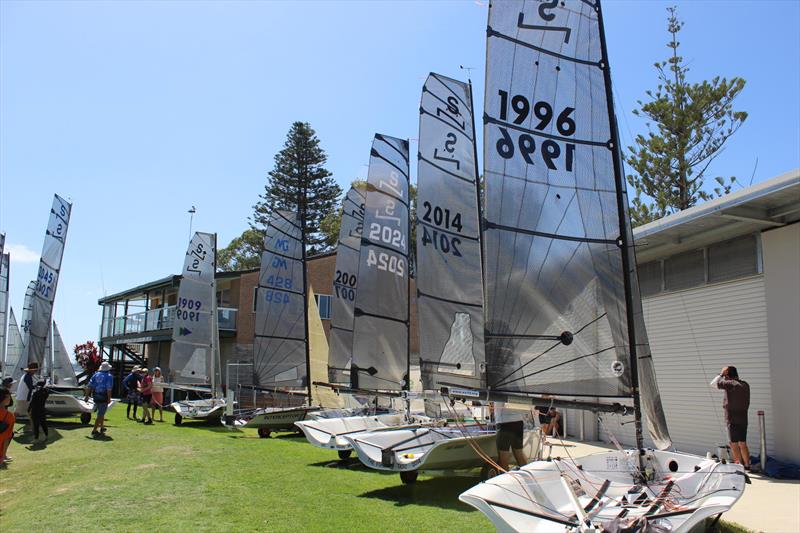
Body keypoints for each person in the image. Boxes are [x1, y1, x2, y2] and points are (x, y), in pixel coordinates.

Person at [711, 366, 751, 470]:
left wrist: (720, 374)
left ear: (727, 376)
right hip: (743, 419)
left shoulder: (729, 384)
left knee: (733, 444)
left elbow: (713, 384)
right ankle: (747, 465)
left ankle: (739, 466)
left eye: (725, 376)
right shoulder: (745, 385)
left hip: (731, 419)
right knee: (743, 443)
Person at [493, 401, 528, 472]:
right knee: (519, 454)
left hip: (504, 422)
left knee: (503, 459)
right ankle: (529, 478)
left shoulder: (498, 389)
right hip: (518, 421)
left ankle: (505, 481)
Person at [87, 361, 114, 437]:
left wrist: (86, 396)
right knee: (100, 414)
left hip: (96, 396)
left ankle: (102, 427)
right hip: (103, 396)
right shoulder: (109, 376)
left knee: (101, 413)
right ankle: (94, 430)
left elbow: (89, 385)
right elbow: (109, 389)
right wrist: (109, 398)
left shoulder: (95, 375)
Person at [0, 389, 15, 466]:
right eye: (9, 397)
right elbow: (7, 438)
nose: (10, 399)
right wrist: (3, 455)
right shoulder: (9, 416)